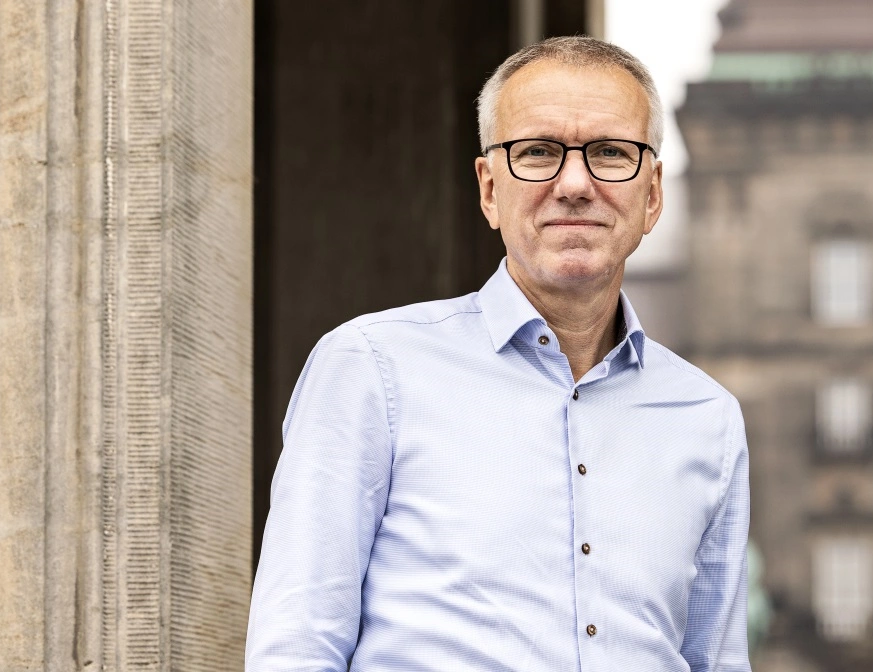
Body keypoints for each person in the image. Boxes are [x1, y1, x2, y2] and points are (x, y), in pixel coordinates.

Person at [246, 36, 752, 671]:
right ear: (489, 189)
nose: (575, 184)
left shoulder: (707, 418)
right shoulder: (372, 368)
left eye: (610, 153)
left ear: (652, 195)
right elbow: (295, 649)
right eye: (538, 151)